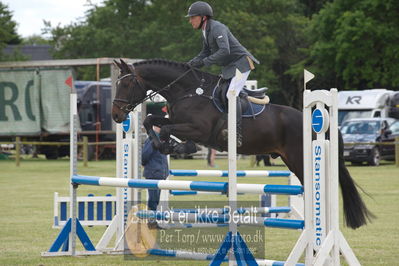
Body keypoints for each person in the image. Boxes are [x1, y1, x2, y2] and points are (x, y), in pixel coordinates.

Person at [186, 1, 259, 147]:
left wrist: (205, 62)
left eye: (193, 17)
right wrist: (190, 63)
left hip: (241, 64)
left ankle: (236, 134)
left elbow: (225, 51)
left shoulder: (217, 28)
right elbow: (205, 52)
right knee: (218, 92)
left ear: (203, 17)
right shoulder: (206, 31)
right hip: (230, 67)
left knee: (230, 94)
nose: (190, 20)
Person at [142, 126, 169, 212]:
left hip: (158, 173)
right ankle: (151, 223)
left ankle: (153, 222)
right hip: (153, 174)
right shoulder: (152, 139)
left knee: (155, 201)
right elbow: (144, 156)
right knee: (153, 201)